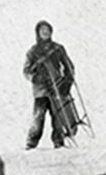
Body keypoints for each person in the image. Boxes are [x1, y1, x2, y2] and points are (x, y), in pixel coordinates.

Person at [23, 21, 76, 150]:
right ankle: (31, 143)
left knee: (58, 115)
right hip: (40, 90)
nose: (45, 32)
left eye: (47, 30)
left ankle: (59, 141)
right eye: (42, 30)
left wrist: (68, 81)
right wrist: (35, 77)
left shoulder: (58, 48)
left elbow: (69, 66)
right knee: (38, 117)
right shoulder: (33, 51)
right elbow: (26, 70)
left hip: (57, 87)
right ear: (38, 33)